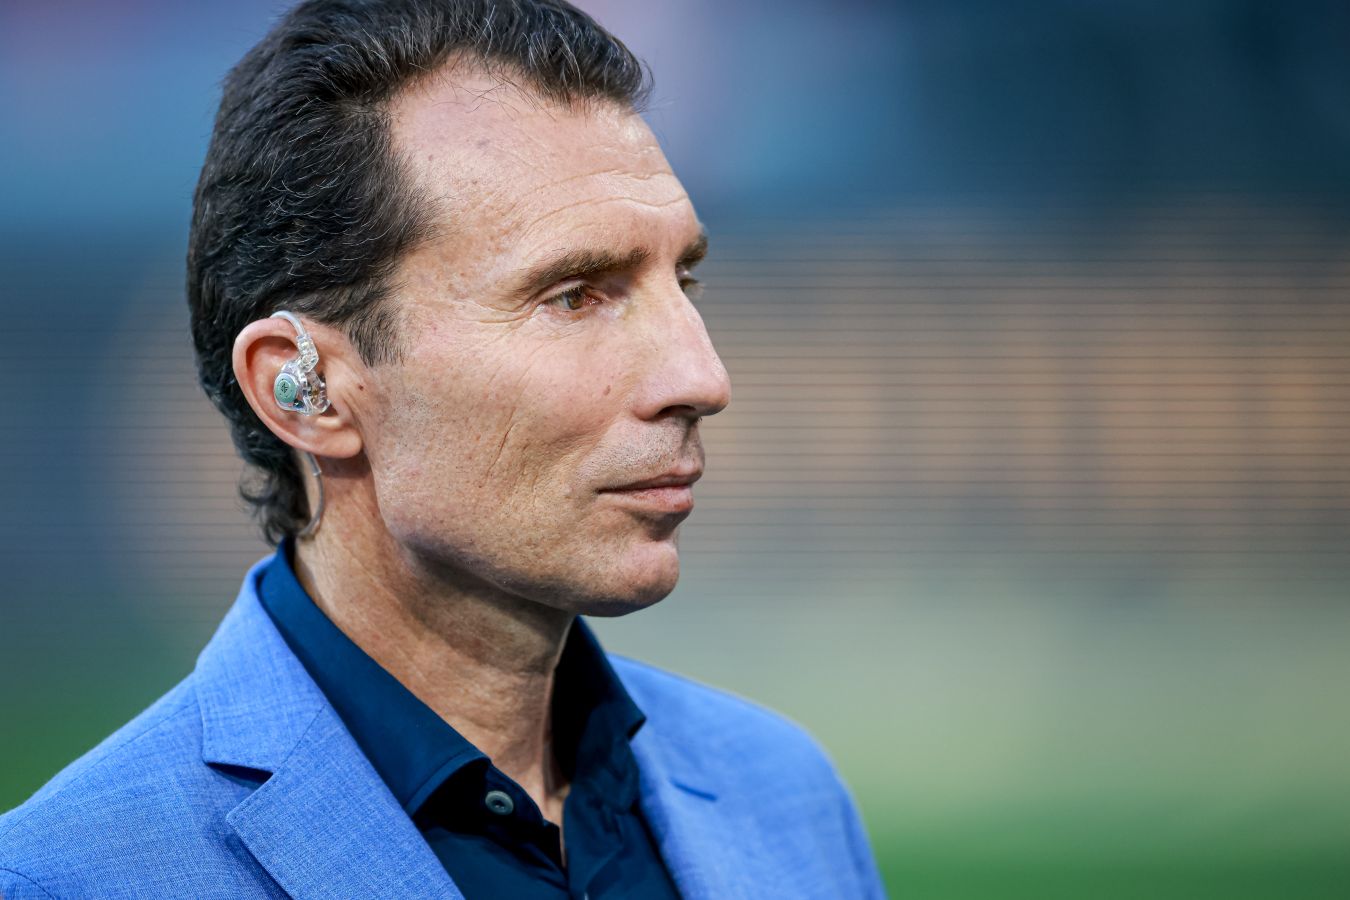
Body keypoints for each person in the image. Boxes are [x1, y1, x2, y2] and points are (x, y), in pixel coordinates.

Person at [0, 1, 886, 897]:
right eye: (575, 295)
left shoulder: (787, 800)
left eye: (683, 279)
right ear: (307, 392)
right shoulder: (66, 879)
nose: (702, 377)